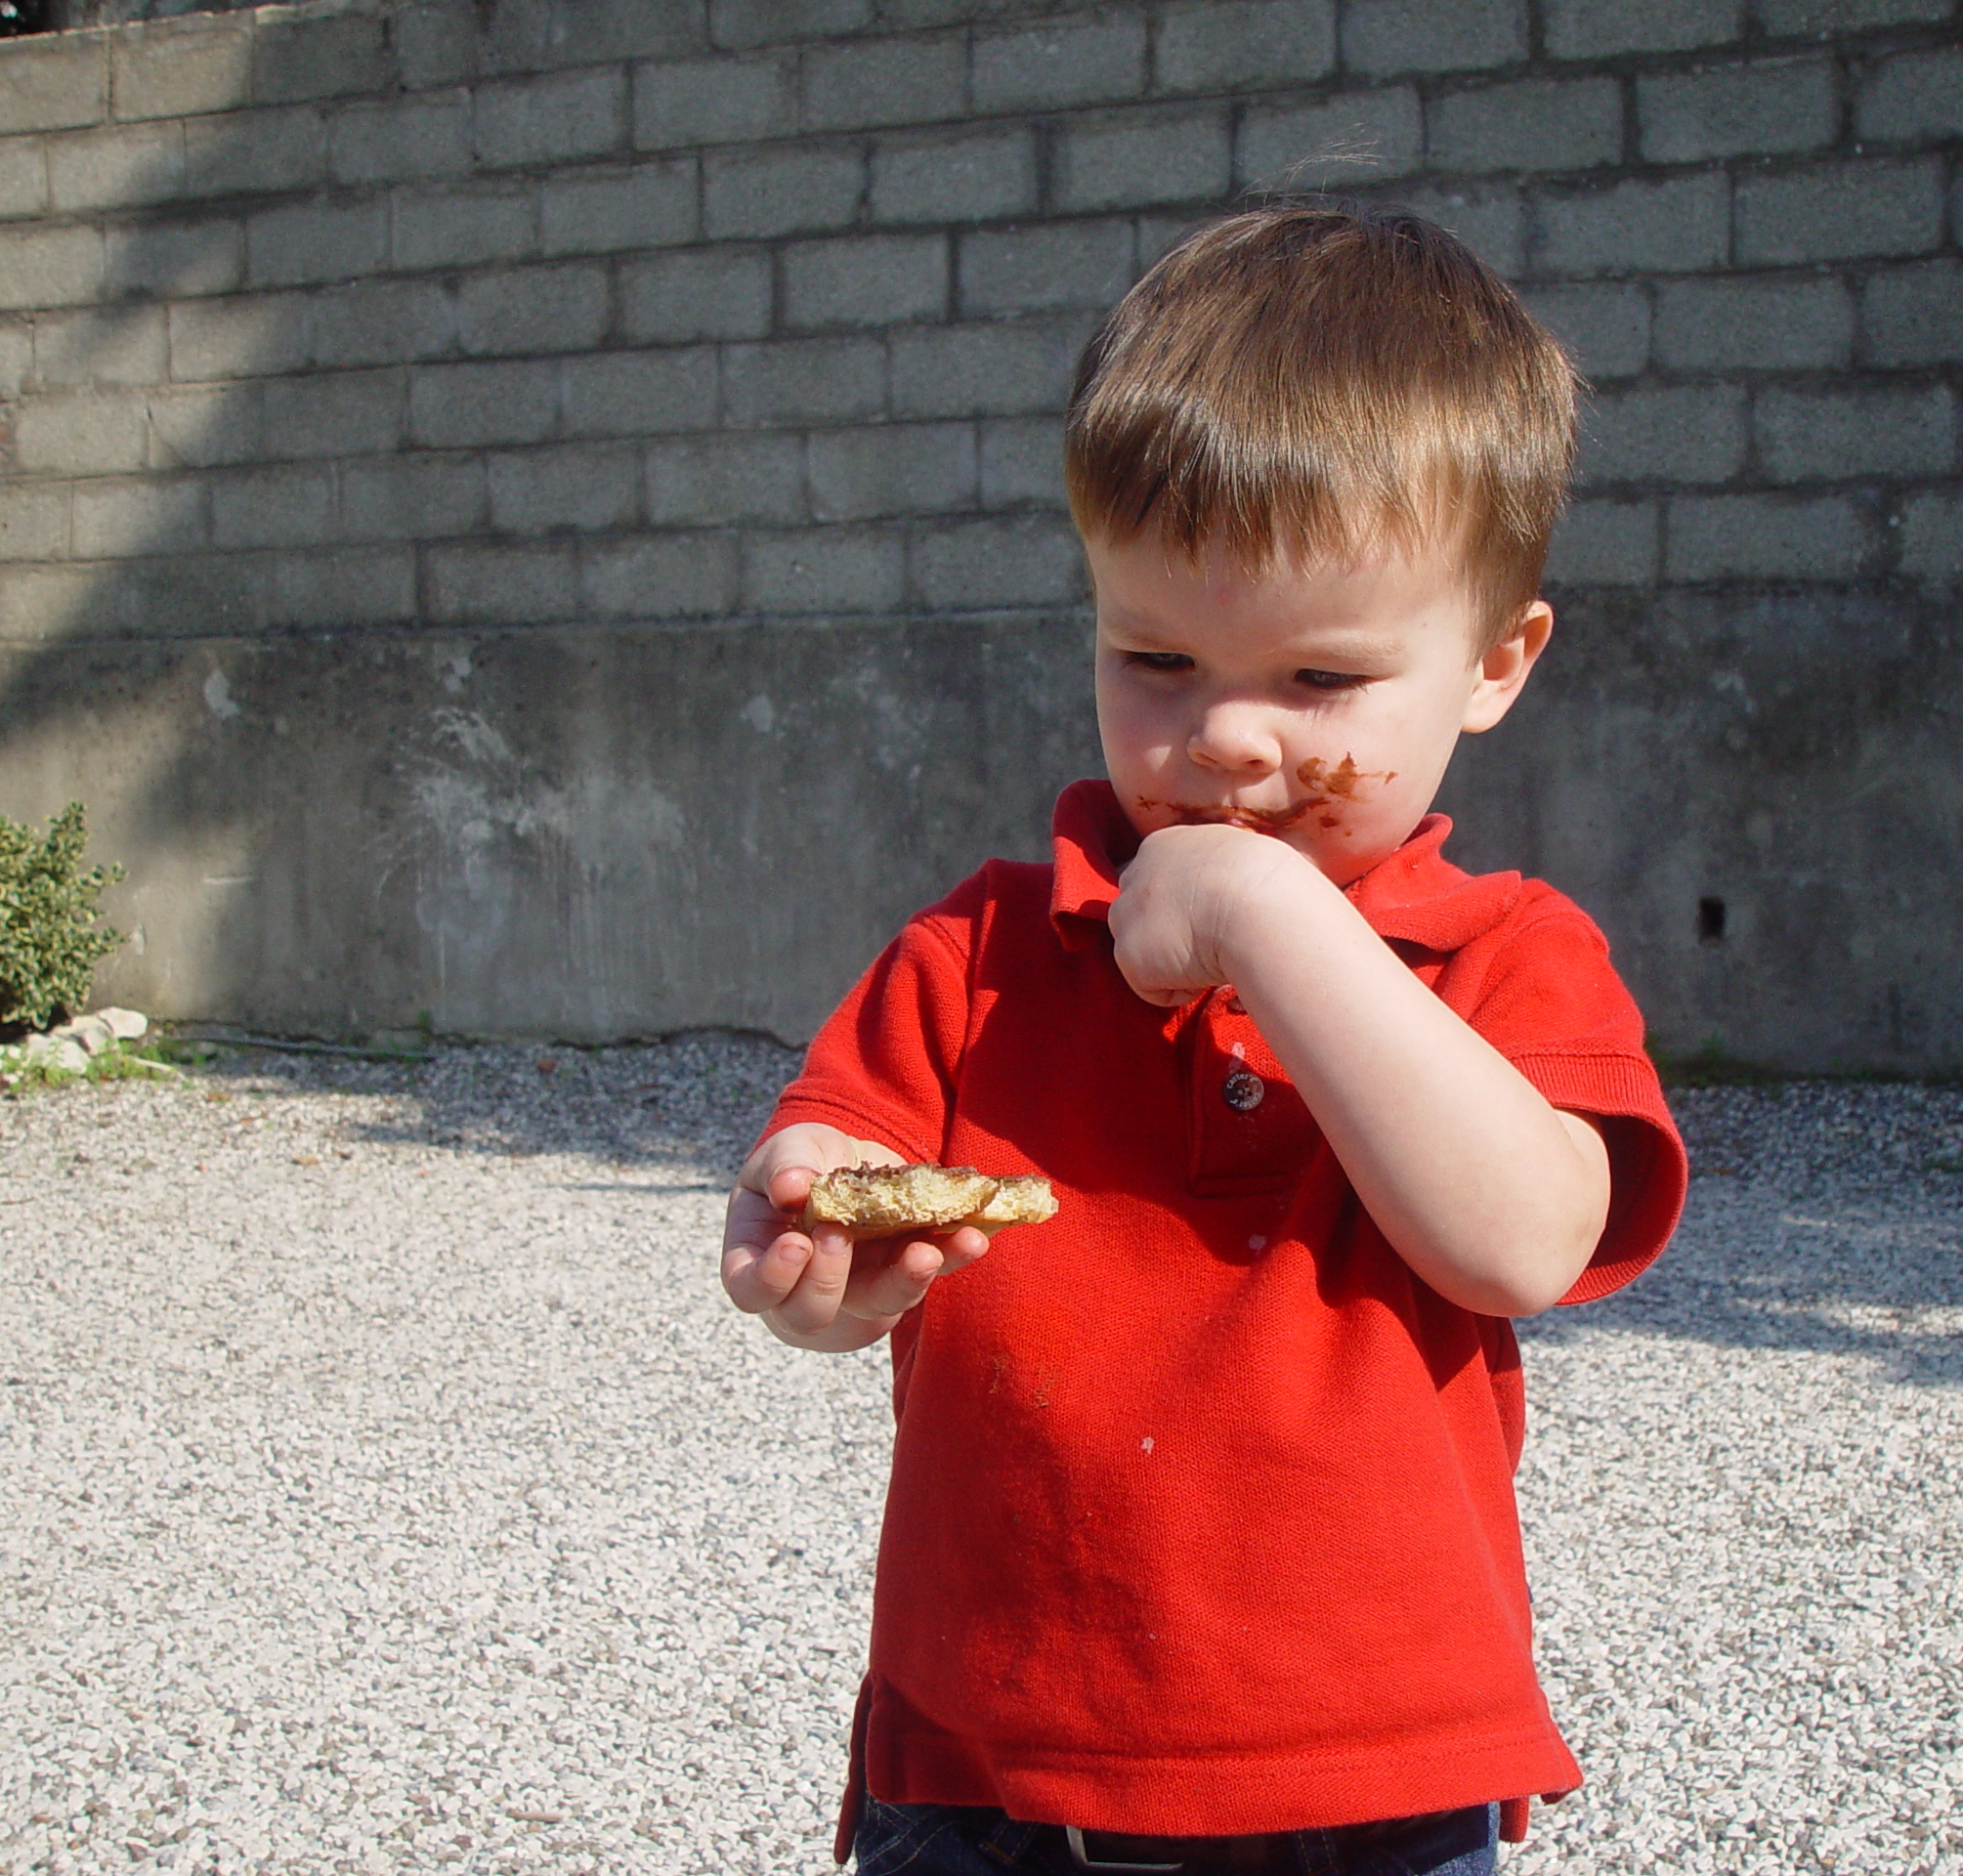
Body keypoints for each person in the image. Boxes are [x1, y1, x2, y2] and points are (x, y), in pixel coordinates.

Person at [721, 203, 1688, 1876]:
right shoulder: (984, 952)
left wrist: (1268, 920)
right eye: (1154, 656)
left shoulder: (1504, 957)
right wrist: (811, 1240)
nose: (1227, 738)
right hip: (987, 1773)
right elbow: (832, 1167)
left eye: (1321, 678)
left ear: (1494, 665)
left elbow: (1520, 1245)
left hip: (1365, 1792)